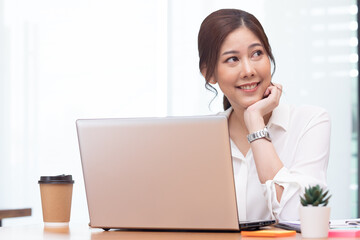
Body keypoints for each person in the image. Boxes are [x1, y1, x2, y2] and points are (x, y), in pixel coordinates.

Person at [198, 9, 331, 221]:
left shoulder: (309, 122)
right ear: (209, 73)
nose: (248, 70)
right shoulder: (200, 138)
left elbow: (299, 217)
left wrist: (255, 124)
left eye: (257, 54)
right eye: (232, 59)